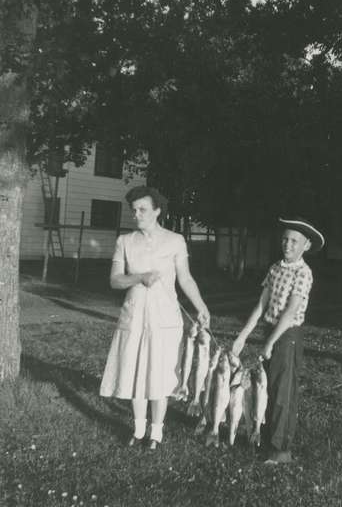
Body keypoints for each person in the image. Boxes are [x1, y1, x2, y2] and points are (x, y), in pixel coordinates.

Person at [100, 186, 210, 449]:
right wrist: (139, 277)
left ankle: (156, 433)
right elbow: (115, 281)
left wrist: (201, 306)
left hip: (165, 318)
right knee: (134, 372)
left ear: (157, 211)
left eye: (143, 209)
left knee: (159, 374)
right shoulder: (124, 241)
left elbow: (185, 278)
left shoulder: (175, 241)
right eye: (134, 210)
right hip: (134, 316)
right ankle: (138, 430)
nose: (136, 215)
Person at [232, 217, 324, 464]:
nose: (288, 245)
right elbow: (261, 305)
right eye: (285, 239)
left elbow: (290, 312)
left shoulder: (304, 273)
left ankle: (281, 450)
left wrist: (270, 343)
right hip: (270, 330)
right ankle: (265, 438)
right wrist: (242, 337)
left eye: (295, 241)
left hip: (288, 336)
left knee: (283, 391)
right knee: (267, 389)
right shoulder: (275, 268)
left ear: (305, 246)